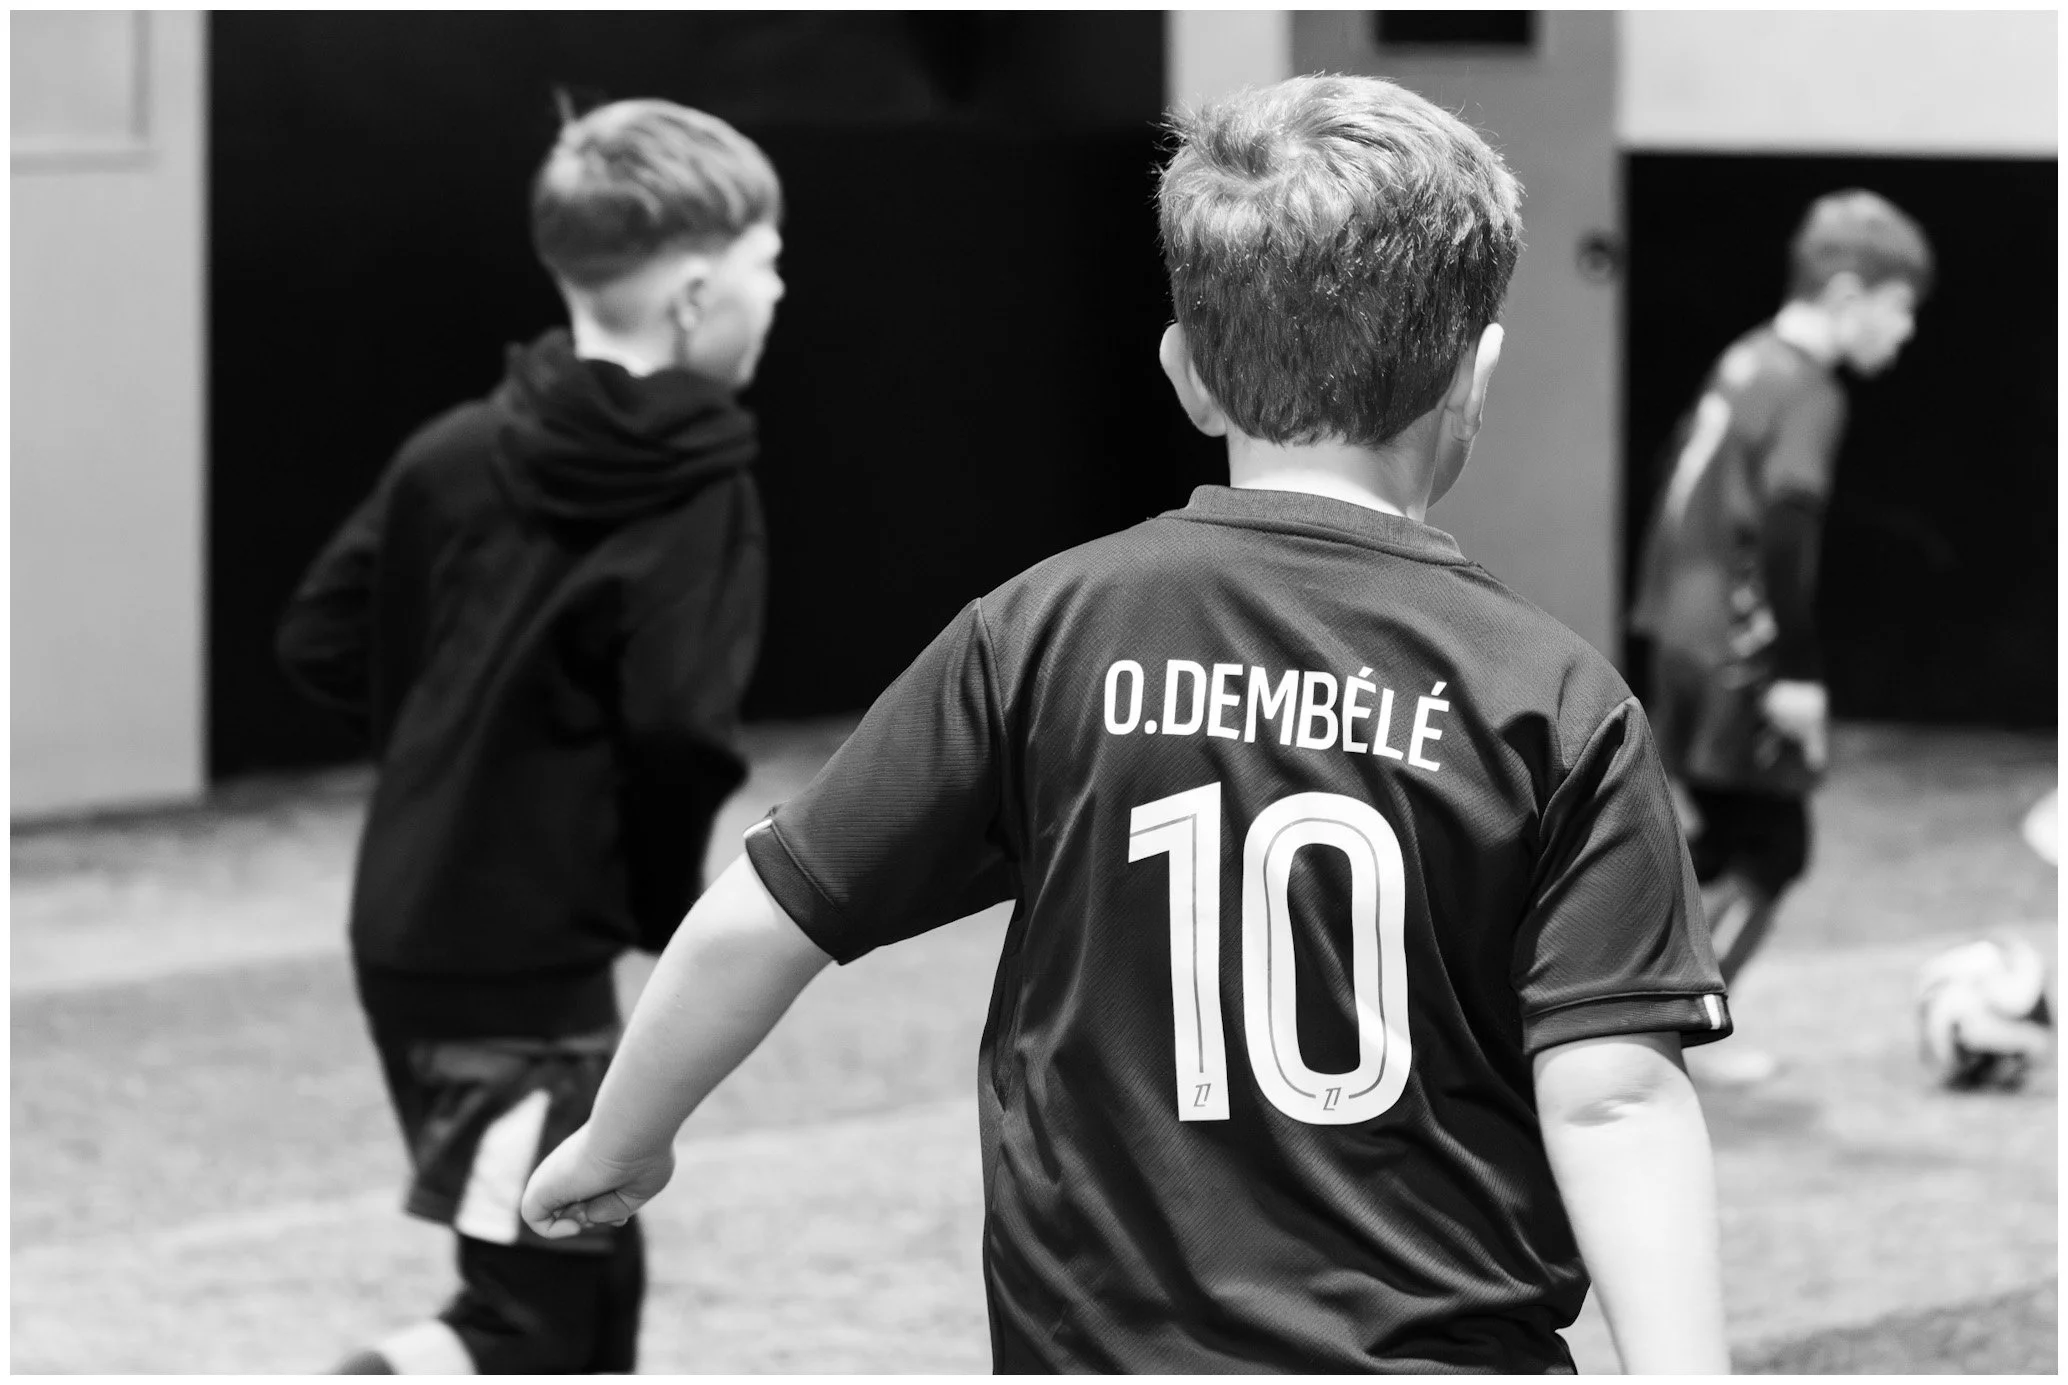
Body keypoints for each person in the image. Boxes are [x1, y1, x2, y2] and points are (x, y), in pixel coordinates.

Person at [523, 74, 1732, 1373]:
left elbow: (770, 913)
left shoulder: (1038, 635)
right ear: (1476, 372)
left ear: (1190, 376)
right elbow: (1613, 1098)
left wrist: (622, 1134)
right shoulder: (1555, 703)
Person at [276, 97, 785, 1373]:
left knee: (585, 1284)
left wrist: (459, 756)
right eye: (772, 267)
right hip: (518, 975)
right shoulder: (699, 484)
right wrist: (668, 910)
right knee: (537, 1315)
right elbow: (675, 730)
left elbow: (319, 640)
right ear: (695, 287)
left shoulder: (453, 451)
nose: (779, 299)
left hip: (410, 929)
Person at [1631, 190, 1933, 1083]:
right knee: (1774, 846)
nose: (1906, 332)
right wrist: (1795, 670)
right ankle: (1677, 1036)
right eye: (1901, 308)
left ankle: (1635, 1000)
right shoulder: (1810, 390)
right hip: (1738, 647)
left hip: (1677, 630)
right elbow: (1786, 533)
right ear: (1848, 295)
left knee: (1717, 838)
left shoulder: (1745, 360)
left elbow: (1679, 486)